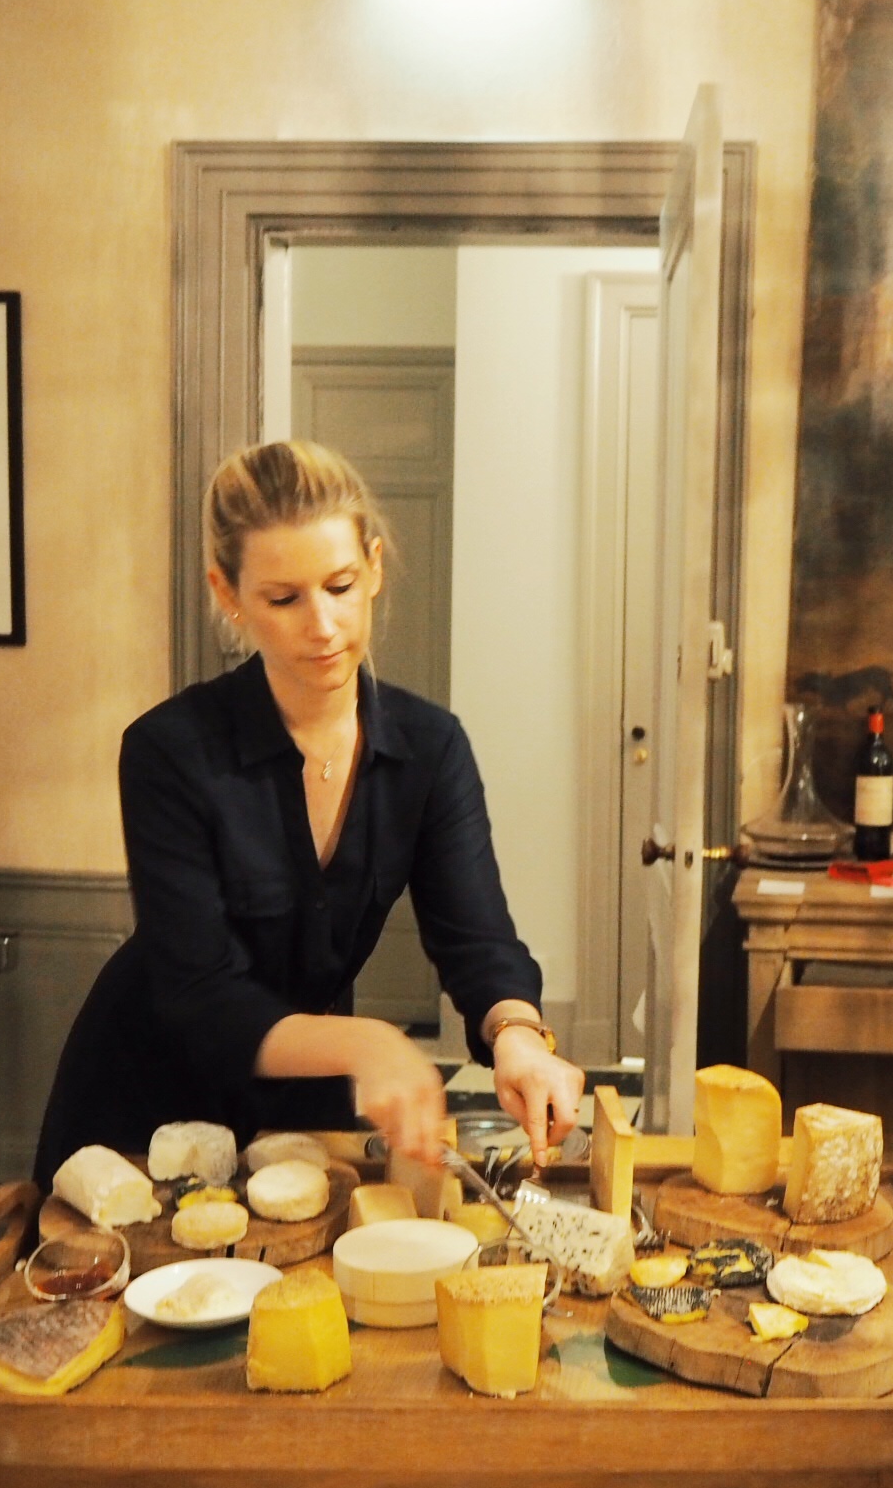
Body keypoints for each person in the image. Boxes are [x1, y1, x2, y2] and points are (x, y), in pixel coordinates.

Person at [33, 441, 583, 1187]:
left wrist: (518, 1036)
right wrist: (368, 1044)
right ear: (228, 593)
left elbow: (478, 939)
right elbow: (199, 997)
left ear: (374, 568)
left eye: (340, 585)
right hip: (144, 1110)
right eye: (284, 599)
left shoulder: (430, 748)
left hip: (303, 1099)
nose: (322, 624)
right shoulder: (170, 750)